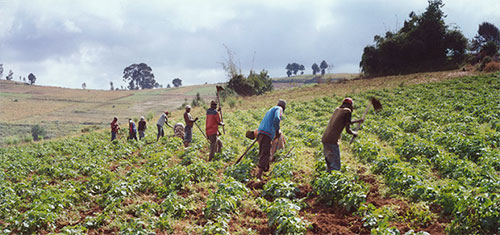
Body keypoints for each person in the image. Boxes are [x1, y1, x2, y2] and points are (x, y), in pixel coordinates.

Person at [321, 98, 364, 172]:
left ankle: (328, 177)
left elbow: (345, 121)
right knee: (335, 166)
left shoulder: (338, 109)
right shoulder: (347, 111)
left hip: (325, 139)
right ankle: (334, 181)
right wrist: (354, 133)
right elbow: (348, 130)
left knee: (329, 163)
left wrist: (358, 121)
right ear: (350, 105)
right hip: (332, 141)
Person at [256, 99, 286, 180]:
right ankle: (259, 175)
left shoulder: (271, 109)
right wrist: (277, 130)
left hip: (260, 131)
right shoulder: (279, 109)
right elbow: (277, 118)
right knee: (265, 153)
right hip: (267, 133)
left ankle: (265, 169)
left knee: (263, 151)